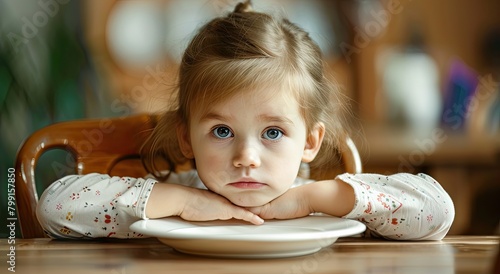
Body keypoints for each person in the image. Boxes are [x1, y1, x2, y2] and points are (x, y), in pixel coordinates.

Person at [36, 0, 454, 240]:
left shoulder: (322, 206)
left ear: (310, 141)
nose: (246, 157)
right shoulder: (175, 199)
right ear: (186, 138)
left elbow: (438, 212)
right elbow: (54, 207)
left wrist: (313, 199)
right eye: (221, 131)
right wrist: (184, 202)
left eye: (273, 132)